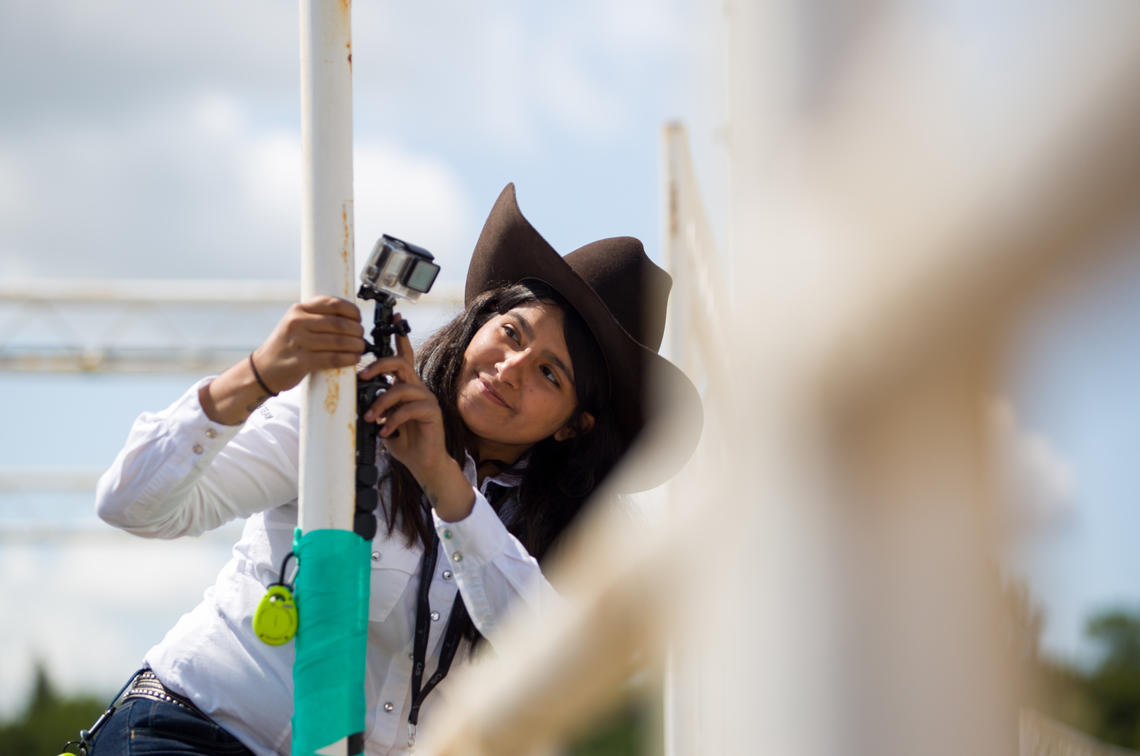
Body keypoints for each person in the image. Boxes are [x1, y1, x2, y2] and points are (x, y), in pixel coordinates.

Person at [85, 183, 699, 755]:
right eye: (511, 332)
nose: (510, 368)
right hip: (190, 731)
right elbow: (129, 503)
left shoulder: (581, 535)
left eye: (549, 373)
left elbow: (569, 663)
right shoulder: (344, 417)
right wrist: (259, 374)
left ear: (574, 424)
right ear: (478, 323)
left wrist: (444, 482)